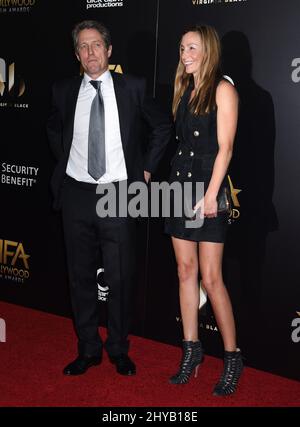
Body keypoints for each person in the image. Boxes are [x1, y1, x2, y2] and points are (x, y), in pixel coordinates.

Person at [47, 20, 171, 376]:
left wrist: (145, 171)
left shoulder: (132, 88)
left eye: (97, 45)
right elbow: (54, 128)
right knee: (79, 276)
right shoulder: (63, 90)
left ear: (109, 50)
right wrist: (69, 164)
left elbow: (162, 127)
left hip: (119, 193)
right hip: (76, 194)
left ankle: (118, 348)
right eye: (83, 47)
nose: (90, 53)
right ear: (77, 54)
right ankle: (88, 348)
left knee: (120, 277)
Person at [164, 25, 243, 396]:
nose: (185, 54)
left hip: (208, 192)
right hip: (179, 188)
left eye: (192, 47)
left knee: (211, 279)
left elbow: (225, 148)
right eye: (181, 48)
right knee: (184, 272)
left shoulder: (223, 88)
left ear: (208, 49)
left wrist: (211, 195)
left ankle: (232, 357)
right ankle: (191, 351)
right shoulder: (185, 88)